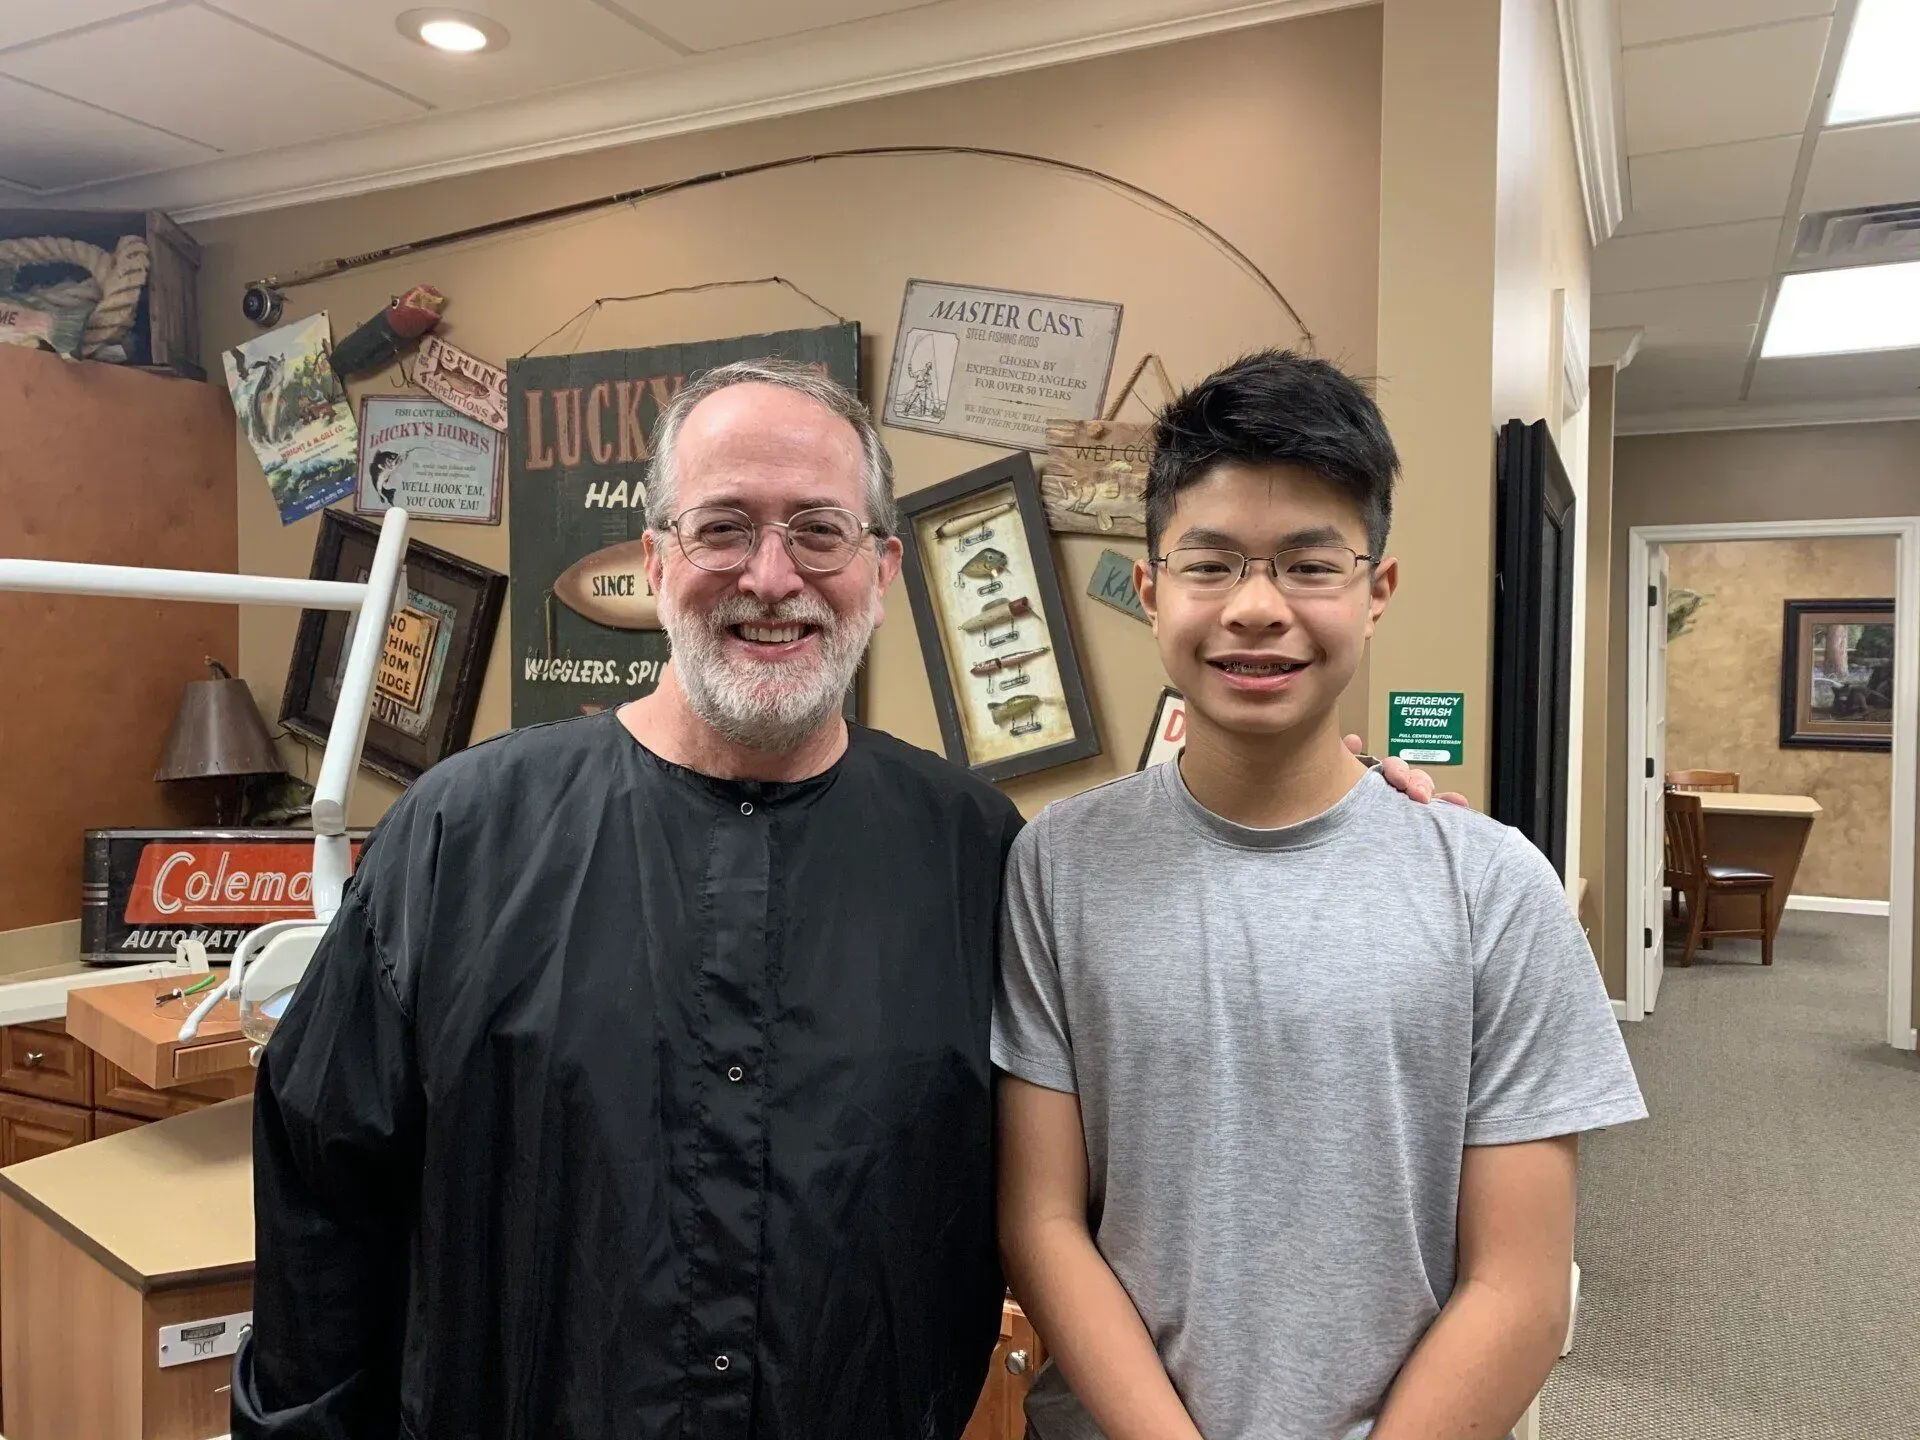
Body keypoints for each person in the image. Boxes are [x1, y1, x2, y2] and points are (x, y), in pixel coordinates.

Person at [232, 358, 1444, 1440]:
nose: (772, 577)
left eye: (819, 532)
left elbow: (1122, 1128)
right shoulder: (461, 835)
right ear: (654, 559)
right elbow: (320, 1212)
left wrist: (1360, 815)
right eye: (724, 529)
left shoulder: (977, 854)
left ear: (881, 566)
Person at [994, 350, 1647, 1440]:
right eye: (1211, 565)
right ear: (1152, 592)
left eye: (1309, 565)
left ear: (1376, 592)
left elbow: (1521, 1289)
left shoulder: (1494, 889)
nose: (1257, 609)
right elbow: (1043, 1220)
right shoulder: (1057, 867)